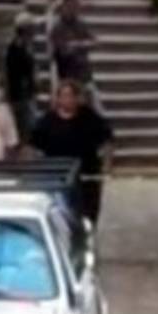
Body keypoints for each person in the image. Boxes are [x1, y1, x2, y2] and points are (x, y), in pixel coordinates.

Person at [29, 79, 114, 226]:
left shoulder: (89, 118)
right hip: (57, 177)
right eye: (63, 96)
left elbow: (107, 140)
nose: (67, 100)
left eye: (70, 96)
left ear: (76, 98)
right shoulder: (47, 121)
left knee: (87, 217)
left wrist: (107, 166)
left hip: (86, 178)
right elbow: (33, 146)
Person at [49, 0, 99, 111]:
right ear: (64, 7)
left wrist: (78, 45)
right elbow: (62, 50)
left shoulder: (80, 24)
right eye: (70, 7)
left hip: (84, 75)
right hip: (67, 77)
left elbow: (95, 41)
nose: (73, 10)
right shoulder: (58, 27)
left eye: (75, 7)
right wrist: (73, 47)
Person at [6, 11, 37, 141]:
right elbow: (17, 69)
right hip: (20, 93)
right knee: (25, 126)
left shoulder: (25, 45)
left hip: (26, 92)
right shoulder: (16, 46)